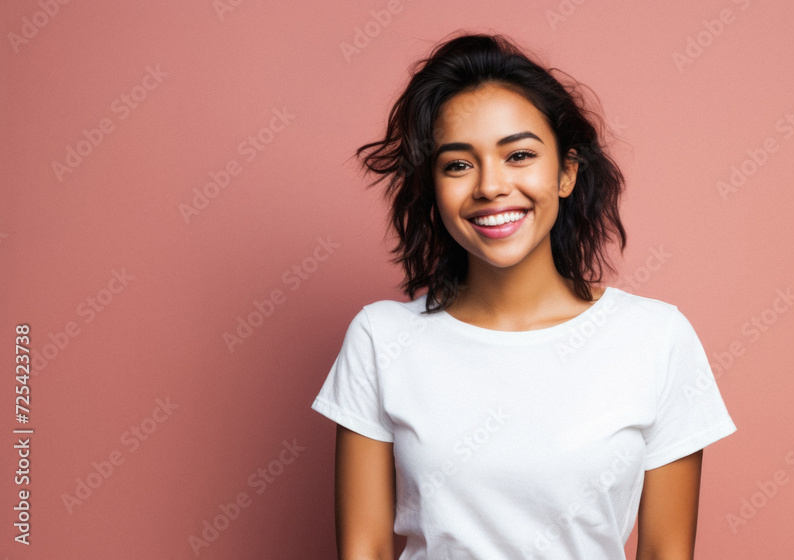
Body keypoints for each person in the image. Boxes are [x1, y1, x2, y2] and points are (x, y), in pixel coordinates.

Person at [311, 31, 737, 560]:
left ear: (566, 171)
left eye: (518, 155)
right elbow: (364, 551)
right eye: (458, 164)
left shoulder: (657, 338)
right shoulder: (381, 338)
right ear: (433, 189)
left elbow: (666, 554)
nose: (490, 186)